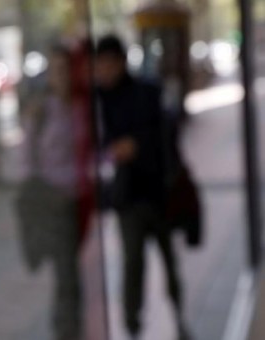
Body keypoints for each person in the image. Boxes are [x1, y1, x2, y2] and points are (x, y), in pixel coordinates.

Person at [94, 35, 188, 339]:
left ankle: (180, 319)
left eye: (108, 64)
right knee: (133, 265)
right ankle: (132, 327)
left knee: (168, 262)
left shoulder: (147, 93)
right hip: (128, 197)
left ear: (121, 62)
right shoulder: (98, 101)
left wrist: (137, 146)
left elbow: (167, 136)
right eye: (100, 66)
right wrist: (113, 150)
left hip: (157, 192)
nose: (104, 72)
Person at [21, 43, 92, 340]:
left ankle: (72, 327)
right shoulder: (41, 110)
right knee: (67, 276)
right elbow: (27, 161)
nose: (61, 76)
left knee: (72, 271)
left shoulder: (82, 107)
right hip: (54, 202)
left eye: (66, 69)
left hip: (81, 201)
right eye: (56, 70)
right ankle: (66, 330)